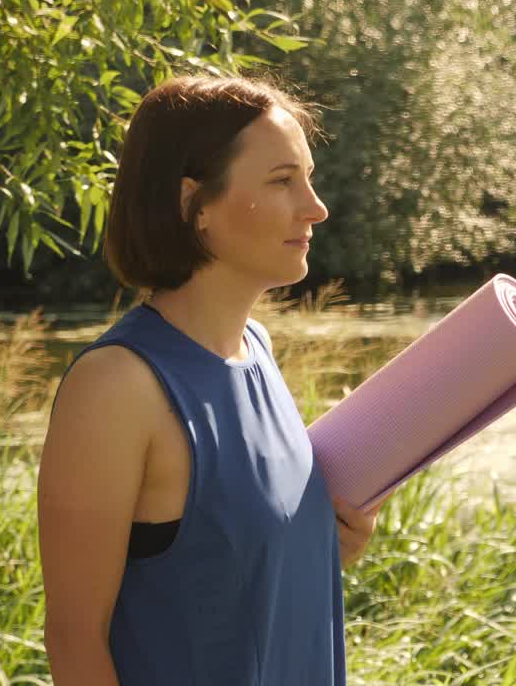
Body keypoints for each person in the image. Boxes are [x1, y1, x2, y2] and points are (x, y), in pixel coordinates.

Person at [36, 74, 379, 686]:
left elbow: (219, 573)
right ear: (194, 205)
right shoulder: (116, 386)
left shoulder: (259, 351)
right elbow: (74, 640)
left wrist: (322, 547)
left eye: (309, 177)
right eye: (282, 181)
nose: (316, 207)